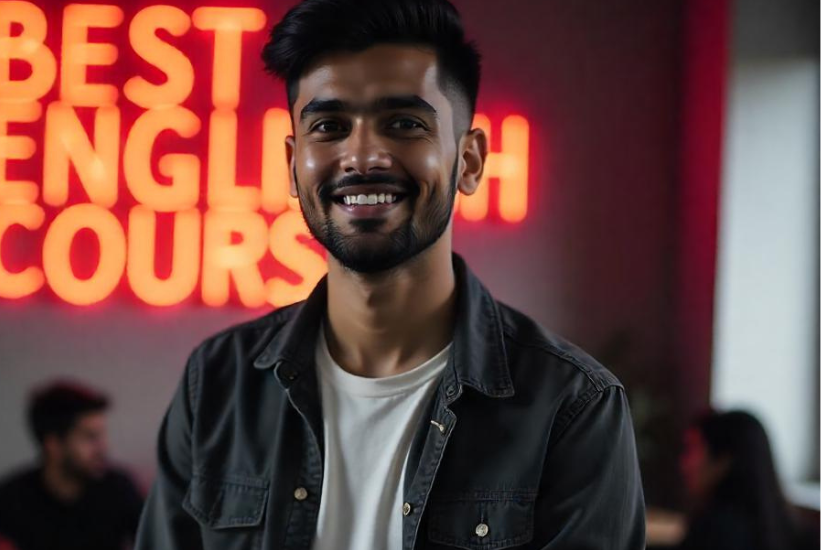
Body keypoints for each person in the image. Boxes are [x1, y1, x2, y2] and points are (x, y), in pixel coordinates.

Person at [136, 0, 646, 548]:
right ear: (292, 163)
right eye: (329, 127)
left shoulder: (572, 406)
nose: (362, 156)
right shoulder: (217, 385)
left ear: (470, 160)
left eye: (404, 124)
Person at [0, 380, 144, 550]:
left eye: (102, 435)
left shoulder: (118, 489)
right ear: (54, 445)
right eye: (90, 437)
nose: (104, 448)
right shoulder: (11, 500)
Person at [677, 409, 817, 550]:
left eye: (691, 449)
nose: (683, 463)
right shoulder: (795, 530)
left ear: (723, 461)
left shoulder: (714, 533)